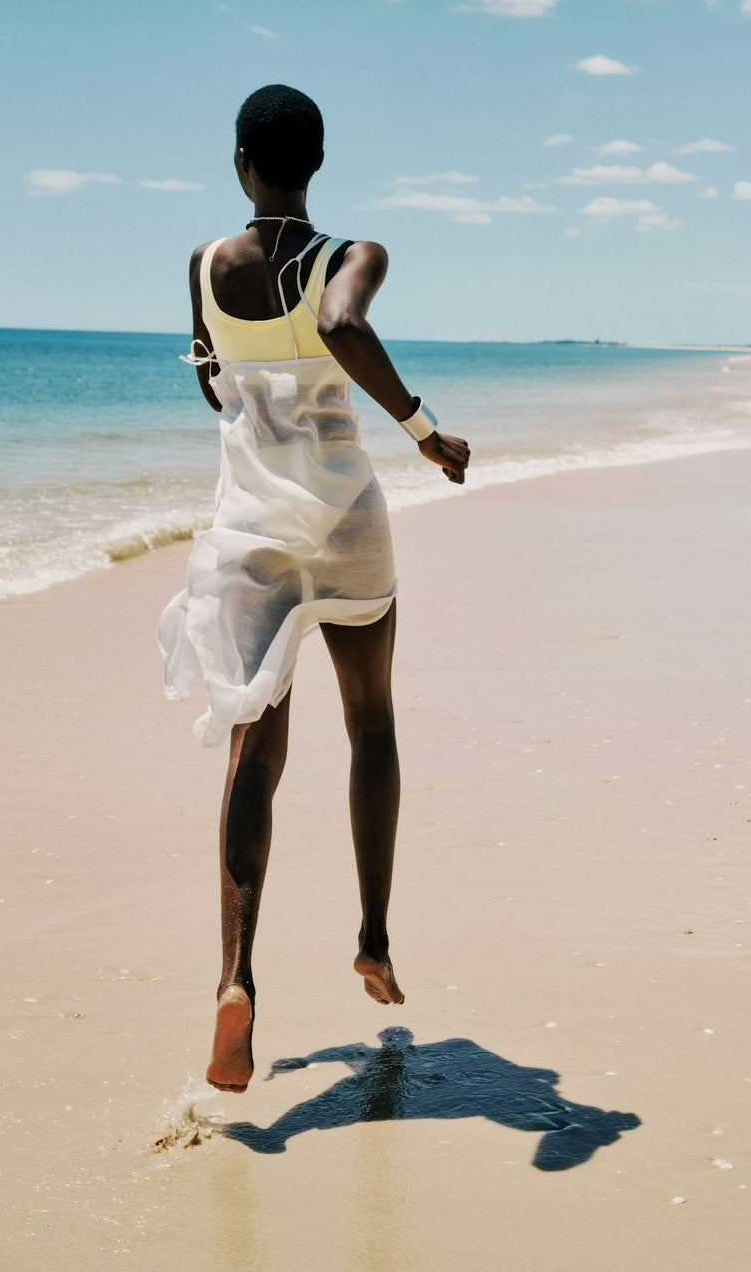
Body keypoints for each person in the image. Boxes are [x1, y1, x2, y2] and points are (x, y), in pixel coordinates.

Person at [158, 84, 470, 1093]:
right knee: (370, 720)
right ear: (319, 161)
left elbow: (210, 375)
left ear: (240, 163)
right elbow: (339, 323)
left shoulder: (204, 265)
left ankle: (234, 975)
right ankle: (372, 938)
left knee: (255, 745)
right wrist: (424, 430)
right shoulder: (352, 255)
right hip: (343, 524)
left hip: (251, 532)